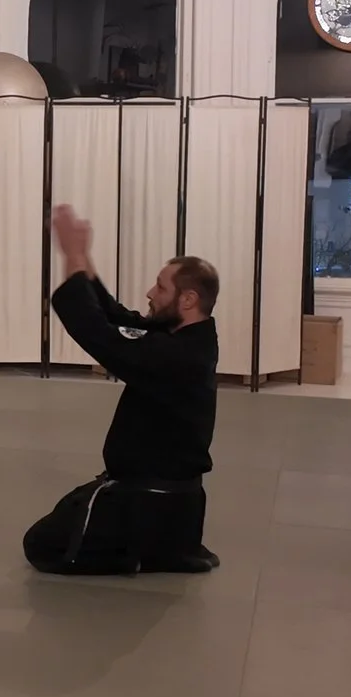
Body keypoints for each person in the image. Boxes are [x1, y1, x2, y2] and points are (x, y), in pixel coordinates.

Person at [22, 205, 221, 576]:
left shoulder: (176, 356)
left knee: (41, 545)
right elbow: (115, 318)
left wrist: (73, 256)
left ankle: (154, 551)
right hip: (163, 495)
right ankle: (167, 547)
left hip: (152, 498)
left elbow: (96, 332)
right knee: (67, 512)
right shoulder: (186, 336)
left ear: (189, 299)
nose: (150, 292)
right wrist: (83, 258)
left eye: (161, 287)